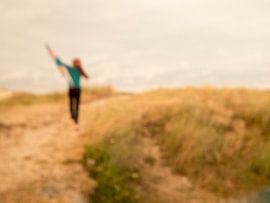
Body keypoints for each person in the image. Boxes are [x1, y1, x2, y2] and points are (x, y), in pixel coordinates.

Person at [46, 45, 89, 127]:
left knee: (71, 103)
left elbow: (60, 63)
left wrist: (54, 56)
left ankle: (73, 117)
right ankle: (76, 121)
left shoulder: (70, 69)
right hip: (78, 89)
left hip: (71, 89)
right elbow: (87, 77)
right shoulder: (80, 70)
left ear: (73, 63)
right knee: (76, 105)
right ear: (79, 63)